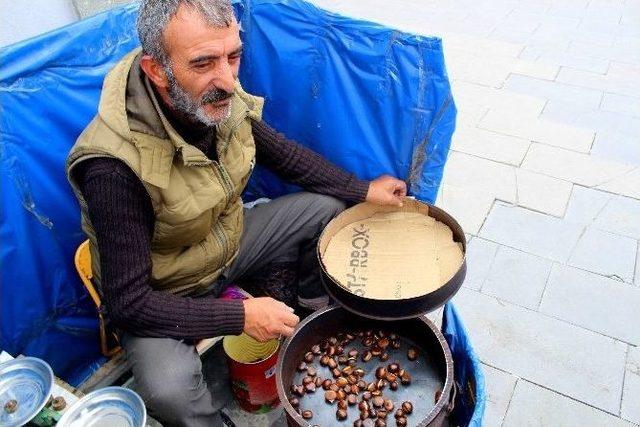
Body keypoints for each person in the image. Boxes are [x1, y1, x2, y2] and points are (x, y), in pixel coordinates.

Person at [66, 0, 406, 425]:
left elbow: (284, 155)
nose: (226, 80)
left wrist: (362, 189)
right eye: (204, 62)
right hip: (164, 290)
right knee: (168, 390)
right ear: (157, 70)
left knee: (327, 210)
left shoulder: (218, 101)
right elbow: (128, 304)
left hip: (224, 246)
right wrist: (241, 315)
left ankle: (311, 315)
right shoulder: (113, 168)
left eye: (234, 56)